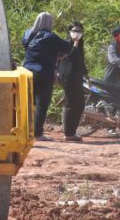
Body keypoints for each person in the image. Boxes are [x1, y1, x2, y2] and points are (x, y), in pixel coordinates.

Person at [22, 12, 71, 140]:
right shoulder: (51, 37)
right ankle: (37, 134)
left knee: (26, 103)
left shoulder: (28, 34)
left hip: (26, 71)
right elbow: (67, 47)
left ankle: (23, 131)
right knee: (42, 104)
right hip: (43, 73)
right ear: (49, 23)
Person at [58, 21, 87, 142]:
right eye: (75, 31)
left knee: (80, 103)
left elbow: (80, 59)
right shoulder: (66, 44)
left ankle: (72, 131)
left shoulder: (80, 44)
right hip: (68, 77)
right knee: (71, 103)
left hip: (77, 77)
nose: (77, 33)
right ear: (69, 32)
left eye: (80, 31)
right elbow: (70, 57)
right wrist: (74, 43)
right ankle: (68, 133)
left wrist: (86, 73)